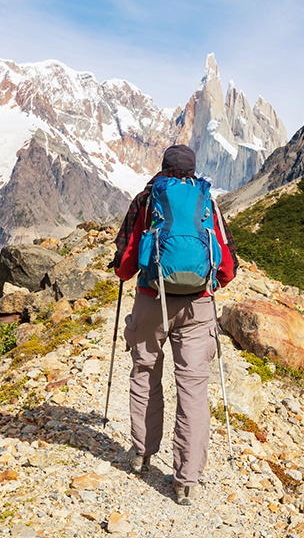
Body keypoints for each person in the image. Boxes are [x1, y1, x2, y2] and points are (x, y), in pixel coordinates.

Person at [111, 144, 238, 506]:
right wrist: (208, 283)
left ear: (163, 167)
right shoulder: (206, 201)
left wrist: (126, 272)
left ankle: (143, 454)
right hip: (198, 306)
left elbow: (126, 259)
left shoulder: (148, 198)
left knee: (145, 372)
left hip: (153, 300)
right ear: (193, 170)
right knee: (194, 389)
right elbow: (227, 264)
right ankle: (186, 479)